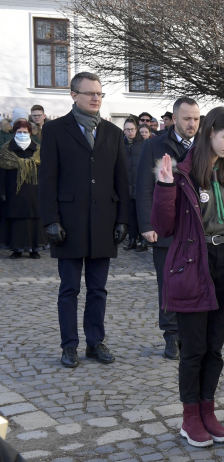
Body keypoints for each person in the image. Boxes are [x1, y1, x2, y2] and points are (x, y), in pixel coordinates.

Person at [151, 106, 224, 448]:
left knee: (214, 348)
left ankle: (207, 410)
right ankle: (190, 418)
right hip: (192, 267)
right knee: (194, 349)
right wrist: (165, 186)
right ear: (209, 132)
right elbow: (163, 226)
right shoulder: (183, 172)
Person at [38, 71, 129, 368]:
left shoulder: (113, 133)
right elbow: (47, 179)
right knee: (69, 289)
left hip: (104, 221)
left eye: (99, 94)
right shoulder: (53, 131)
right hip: (68, 222)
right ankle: (69, 346)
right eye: (90, 93)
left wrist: (122, 220)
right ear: (74, 95)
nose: (95, 98)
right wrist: (50, 219)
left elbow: (121, 180)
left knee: (98, 289)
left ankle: (95, 342)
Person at [136, 96, 201, 361]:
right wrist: (146, 224)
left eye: (196, 119)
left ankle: (191, 335)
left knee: (195, 283)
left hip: (196, 228)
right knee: (168, 283)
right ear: (174, 119)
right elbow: (143, 187)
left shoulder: (206, 146)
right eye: (187, 119)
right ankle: (171, 336)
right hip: (165, 228)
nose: (192, 124)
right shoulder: (154, 145)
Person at [0, 120, 45, 258]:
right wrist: (2, 192)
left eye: (25, 132)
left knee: (35, 219)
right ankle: (16, 249)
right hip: (13, 191)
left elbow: (45, 172)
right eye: (19, 132)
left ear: (30, 133)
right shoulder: (6, 150)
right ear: (14, 133)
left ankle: (34, 249)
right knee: (16, 220)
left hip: (34, 190)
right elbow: (1, 173)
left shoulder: (38, 150)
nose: (22, 134)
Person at [122, 119, 145, 251]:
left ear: (136, 130)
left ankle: (143, 240)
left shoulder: (143, 144)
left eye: (132, 129)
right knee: (130, 215)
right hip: (127, 185)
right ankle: (132, 239)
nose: (130, 132)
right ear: (124, 131)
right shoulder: (120, 144)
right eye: (127, 129)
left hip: (140, 185)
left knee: (141, 214)